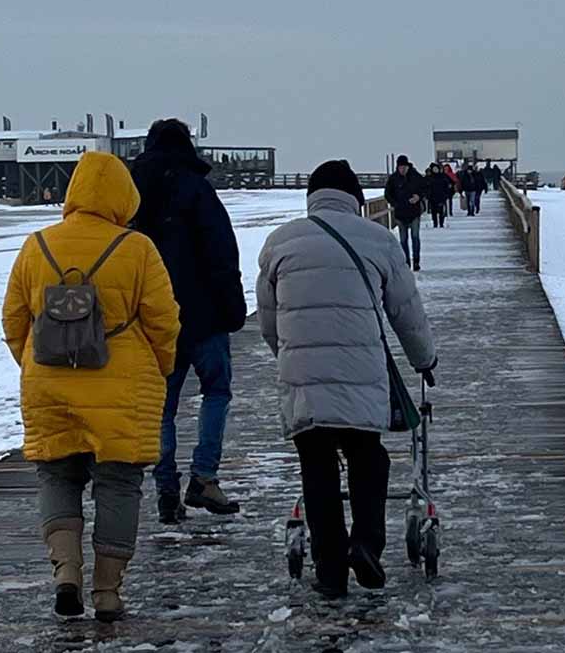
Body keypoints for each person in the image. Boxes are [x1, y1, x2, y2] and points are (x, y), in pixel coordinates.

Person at [1, 151, 180, 622]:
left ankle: (66, 573)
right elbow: (164, 321)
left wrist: (35, 363)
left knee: (57, 475)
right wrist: (159, 368)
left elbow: (14, 320)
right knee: (119, 482)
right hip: (122, 386)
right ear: (124, 196)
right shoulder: (138, 248)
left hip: (48, 382)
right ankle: (107, 593)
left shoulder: (36, 245)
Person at [257, 160, 437, 598]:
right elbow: (405, 312)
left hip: (302, 376)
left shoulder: (279, 243)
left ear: (312, 198)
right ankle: (367, 545)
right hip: (361, 375)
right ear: (355, 199)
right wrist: (424, 360)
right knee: (368, 460)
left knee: (317, 469)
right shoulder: (378, 240)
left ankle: (331, 570)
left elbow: (268, 320)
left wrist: (289, 357)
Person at [131, 118, 247, 523]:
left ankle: (165, 486)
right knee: (216, 391)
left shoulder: (133, 193)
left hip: (152, 318)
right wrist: (233, 308)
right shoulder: (199, 190)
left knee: (163, 407)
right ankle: (204, 477)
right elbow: (221, 253)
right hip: (204, 316)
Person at [384, 154, 426, 271]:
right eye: (400, 167)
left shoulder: (415, 176)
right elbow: (387, 194)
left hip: (414, 213)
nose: (402, 169)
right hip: (400, 213)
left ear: (408, 166)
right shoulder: (393, 179)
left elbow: (425, 188)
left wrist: (419, 196)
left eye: (404, 167)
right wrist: (395, 204)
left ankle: (416, 261)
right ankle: (406, 262)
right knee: (403, 240)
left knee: (415, 237)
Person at [426, 163, 451, 229]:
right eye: (434, 169)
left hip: (441, 196)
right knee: (434, 211)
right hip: (432, 197)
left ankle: (441, 223)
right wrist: (428, 194)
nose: (435, 170)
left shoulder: (443, 176)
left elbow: (447, 186)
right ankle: (435, 223)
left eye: (436, 169)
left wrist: (446, 194)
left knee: (441, 211)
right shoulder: (429, 178)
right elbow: (426, 187)